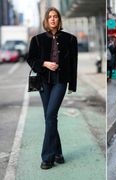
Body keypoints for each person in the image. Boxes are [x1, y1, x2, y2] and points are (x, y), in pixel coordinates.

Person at [27, 7, 78, 170]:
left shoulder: (70, 39)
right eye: (50, 17)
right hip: (44, 81)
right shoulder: (37, 39)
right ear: (46, 20)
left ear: (59, 19)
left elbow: (73, 64)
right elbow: (30, 59)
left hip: (60, 81)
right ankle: (58, 153)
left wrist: (73, 85)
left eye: (55, 16)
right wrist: (44, 63)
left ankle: (47, 157)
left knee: (50, 115)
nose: (53, 19)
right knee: (50, 118)